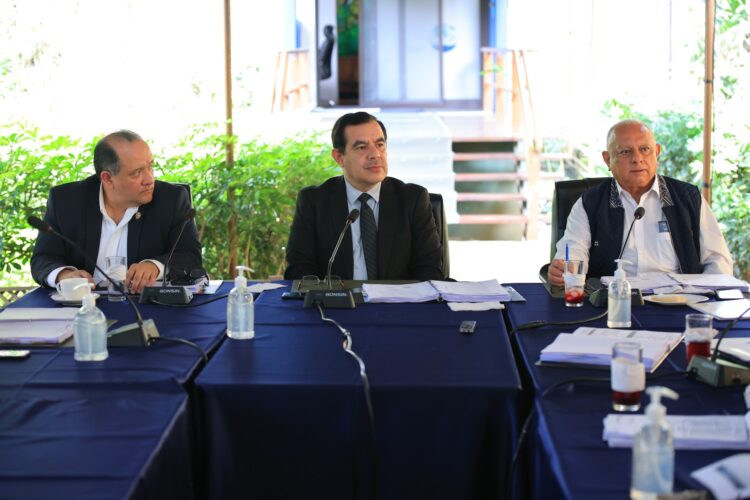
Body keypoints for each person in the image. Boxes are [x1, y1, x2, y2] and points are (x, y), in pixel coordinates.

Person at [547, 119, 733, 287]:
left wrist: (707, 295)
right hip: (613, 302)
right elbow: (574, 249)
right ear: (607, 159)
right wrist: (565, 268)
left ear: (657, 152)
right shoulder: (590, 203)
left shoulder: (687, 198)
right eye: (625, 152)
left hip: (679, 301)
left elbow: (717, 261)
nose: (637, 159)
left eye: (645, 149)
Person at [31, 130, 202, 293]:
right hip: (81, 306)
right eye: (137, 173)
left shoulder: (171, 200)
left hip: (145, 306)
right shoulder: (66, 202)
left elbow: (190, 255)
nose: (149, 179)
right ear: (107, 178)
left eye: (150, 166)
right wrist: (64, 275)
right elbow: (43, 258)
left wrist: (155, 266)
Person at [284, 111, 444, 281]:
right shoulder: (314, 201)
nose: (375, 154)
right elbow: (298, 270)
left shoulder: (412, 199)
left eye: (380, 145)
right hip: (338, 298)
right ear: (339, 157)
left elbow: (430, 269)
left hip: (399, 298)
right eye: (361, 147)